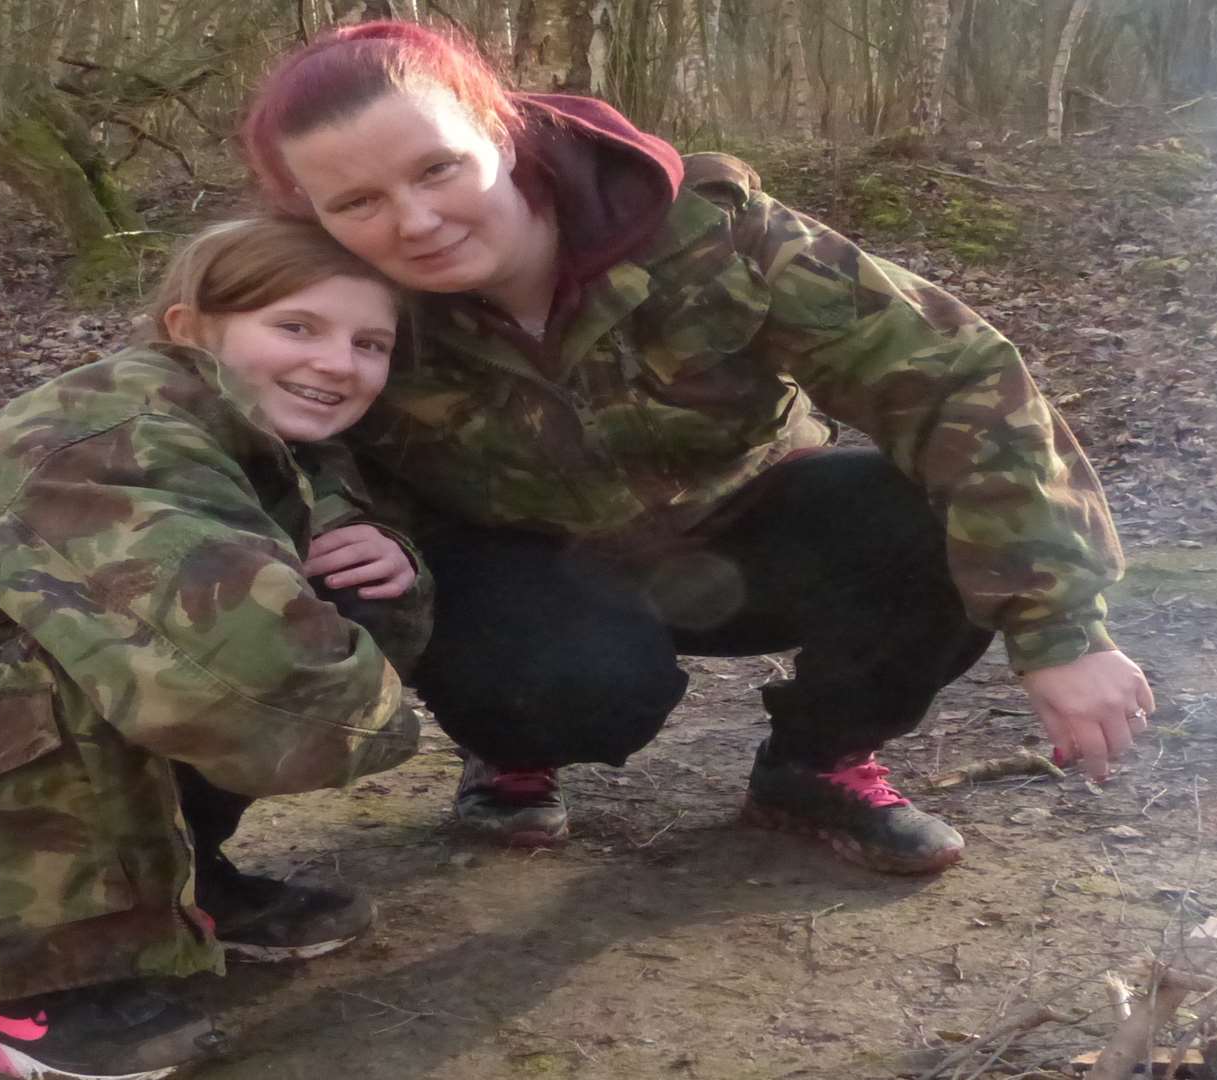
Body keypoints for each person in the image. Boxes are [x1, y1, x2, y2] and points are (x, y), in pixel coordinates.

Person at [238, 22, 1155, 872]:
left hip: (743, 523)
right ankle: (513, 748)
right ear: (311, 212)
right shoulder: (329, 296)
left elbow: (956, 382)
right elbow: (258, 429)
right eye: (357, 201)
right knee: (559, 681)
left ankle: (818, 762)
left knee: (921, 517)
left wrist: (1061, 631)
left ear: (502, 131)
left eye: (437, 169)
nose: (414, 223)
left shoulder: (707, 232)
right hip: (514, 562)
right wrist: (349, 520)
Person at [0, 217, 433, 1080]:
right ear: (190, 330)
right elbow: (250, 677)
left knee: (343, 591)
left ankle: (169, 891)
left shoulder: (241, 434)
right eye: (297, 327)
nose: (338, 363)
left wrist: (389, 558)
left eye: (370, 343)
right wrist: (394, 727)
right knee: (146, 660)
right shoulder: (121, 439)